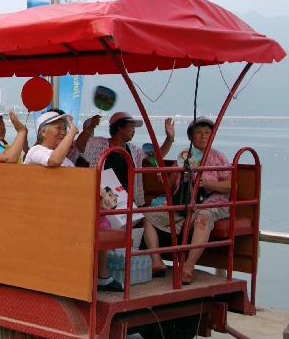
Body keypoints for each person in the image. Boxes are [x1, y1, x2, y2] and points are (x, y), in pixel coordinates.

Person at [25, 110, 123, 292]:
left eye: (64, 128)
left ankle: (100, 275)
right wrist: (72, 132)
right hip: (42, 213)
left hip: (65, 210)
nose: (63, 132)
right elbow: (53, 161)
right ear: (43, 132)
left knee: (104, 223)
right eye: (58, 128)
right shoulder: (36, 151)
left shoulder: (67, 161)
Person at [141, 117, 232, 285]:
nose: (204, 136)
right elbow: (169, 187)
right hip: (183, 203)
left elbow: (230, 185)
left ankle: (188, 267)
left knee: (201, 219)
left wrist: (209, 183)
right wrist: (167, 174)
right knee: (149, 218)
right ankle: (156, 261)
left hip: (210, 203)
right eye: (199, 133)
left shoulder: (218, 157)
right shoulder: (184, 156)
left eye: (207, 133)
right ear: (191, 138)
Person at [76, 111, 174, 206]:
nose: (134, 130)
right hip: (103, 201)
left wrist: (169, 139)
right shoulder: (99, 144)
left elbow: (155, 158)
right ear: (120, 127)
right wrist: (91, 126)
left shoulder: (134, 150)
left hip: (127, 202)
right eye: (131, 126)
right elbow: (80, 145)